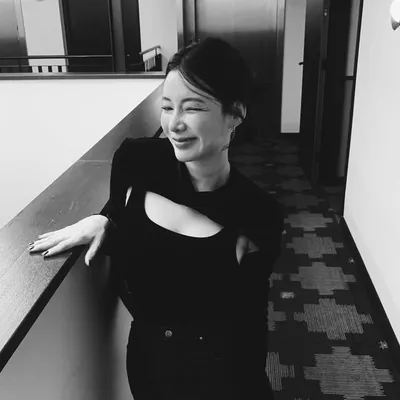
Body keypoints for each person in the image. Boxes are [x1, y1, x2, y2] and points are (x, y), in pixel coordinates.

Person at [28, 37, 284, 399]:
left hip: (219, 374)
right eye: (167, 107)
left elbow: (249, 326)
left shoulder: (258, 214)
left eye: (192, 108)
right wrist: (105, 222)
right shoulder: (136, 161)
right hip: (147, 363)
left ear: (235, 113)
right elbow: (133, 232)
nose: (174, 124)